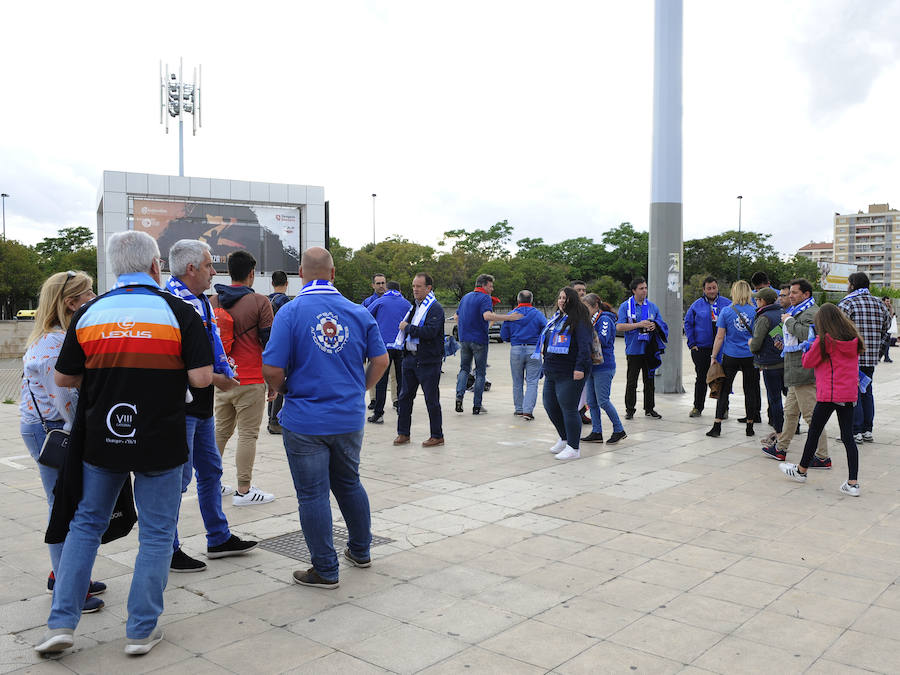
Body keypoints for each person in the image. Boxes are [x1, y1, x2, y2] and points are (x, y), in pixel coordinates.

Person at [34, 230, 213, 656]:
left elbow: (64, 378)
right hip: (161, 439)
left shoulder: (90, 313)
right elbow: (203, 378)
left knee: (85, 526)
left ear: (116, 267)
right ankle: (140, 630)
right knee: (155, 534)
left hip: (103, 438)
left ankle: (61, 624)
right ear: (156, 266)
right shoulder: (178, 311)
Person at [262, 247, 388, 589]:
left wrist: (286, 389)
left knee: (312, 494)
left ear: (301, 274)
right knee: (349, 483)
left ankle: (325, 569)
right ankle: (361, 550)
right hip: (348, 417)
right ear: (333, 274)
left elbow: (271, 367)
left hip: (304, 420)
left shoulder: (290, 313)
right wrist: (358, 389)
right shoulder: (359, 312)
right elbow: (381, 360)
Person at [165, 240, 257, 573]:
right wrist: (218, 378)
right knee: (178, 479)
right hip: (182, 405)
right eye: (208, 265)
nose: (213, 271)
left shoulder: (201, 301)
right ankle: (168, 548)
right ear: (190, 269)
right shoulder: (172, 304)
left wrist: (220, 371)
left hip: (203, 404)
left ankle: (218, 538)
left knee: (210, 472)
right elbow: (176, 362)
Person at [20, 271, 103, 613]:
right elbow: (64, 399)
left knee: (65, 503)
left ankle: (68, 575)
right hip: (53, 430)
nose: (93, 298)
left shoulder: (52, 337)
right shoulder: (55, 343)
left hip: (45, 427)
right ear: (71, 303)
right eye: (88, 294)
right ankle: (69, 587)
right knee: (63, 507)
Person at [210, 250, 276, 506]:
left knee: (220, 433)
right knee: (248, 435)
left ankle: (211, 483)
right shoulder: (261, 302)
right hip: (250, 379)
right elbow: (268, 344)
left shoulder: (214, 301)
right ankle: (244, 490)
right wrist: (273, 381)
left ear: (228, 271)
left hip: (222, 378)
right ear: (251, 273)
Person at [779, 304, 864, 497]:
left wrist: (807, 348)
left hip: (830, 394)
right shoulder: (853, 339)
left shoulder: (824, 341)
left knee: (814, 432)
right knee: (848, 437)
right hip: (849, 394)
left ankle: (801, 471)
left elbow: (808, 362)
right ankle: (853, 483)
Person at [761, 279, 831, 467]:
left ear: (806, 295)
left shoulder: (811, 312)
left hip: (804, 372)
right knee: (790, 413)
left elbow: (807, 334)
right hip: (794, 370)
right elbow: (797, 340)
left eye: (794, 293)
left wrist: (789, 322)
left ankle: (823, 456)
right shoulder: (795, 311)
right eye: (788, 293)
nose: (790, 296)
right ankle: (781, 449)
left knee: (811, 416)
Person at [454, 274, 520, 415]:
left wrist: (465, 327)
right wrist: (509, 317)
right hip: (479, 340)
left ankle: (459, 396)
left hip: (464, 339)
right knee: (480, 373)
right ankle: (477, 406)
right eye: (490, 286)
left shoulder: (465, 297)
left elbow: (456, 317)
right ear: (484, 285)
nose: (492, 289)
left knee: (464, 369)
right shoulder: (485, 298)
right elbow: (487, 316)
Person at [838, 272, 892, 443]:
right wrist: (879, 348)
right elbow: (887, 327)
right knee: (866, 391)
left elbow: (839, 329)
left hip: (852, 357)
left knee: (853, 393)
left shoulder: (847, 303)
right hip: (871, 357)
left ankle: (855, 431)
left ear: (852, 285)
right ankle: (867, 429)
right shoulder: (879, 303)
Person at [540, 287, 592, 459]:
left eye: (566, 298)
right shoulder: (556, 318)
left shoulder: (580, 319)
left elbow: (585, 346)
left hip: (571, 371)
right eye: (560, 297)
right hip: (552, 370)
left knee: (569, 408)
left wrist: (579, 367)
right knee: (550, 405)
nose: (562, 300)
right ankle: (564, 438)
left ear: (573, 300)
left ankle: (574, 447)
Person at [394, 273, 446, 447]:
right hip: (410, 359)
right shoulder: (414, 307)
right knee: (404, 398)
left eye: (419, 286)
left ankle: (437, 435)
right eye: (413, 286)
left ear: (428, 288)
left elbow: (430, 332)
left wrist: (408, 327)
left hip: (428, 361)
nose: (415, 289)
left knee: (431, 400)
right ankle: (403, 433)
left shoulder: (435, 308)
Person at [706, 280, 760, 437]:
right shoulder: (755, 311)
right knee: (750, 390)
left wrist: (713, 356)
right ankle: (750, 426)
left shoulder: (726, 311)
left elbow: (720, 337)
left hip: (731, 355)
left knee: (724, 390)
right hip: (750, 356)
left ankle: (717, 425)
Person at [616, 277, 665, 419]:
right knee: (632, 381)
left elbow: (661, 322)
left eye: (645, 288)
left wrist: (654, 325)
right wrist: (639, 325)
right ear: (634, 291)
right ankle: (630, 409)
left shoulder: (652, 306)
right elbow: (619, 326)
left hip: (649, 349)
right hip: (633, 349)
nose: (644, 291)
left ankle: (649, 408)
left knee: (649, 381)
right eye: (641, 288)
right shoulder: (626, 306)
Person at [580, 294, 626, 445]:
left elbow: (603, 339)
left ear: (595, 306)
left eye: (586, 307)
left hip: (604, 367)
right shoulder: (588, 320)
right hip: (591, 366)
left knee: (603, 401)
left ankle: (619, 429)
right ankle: (597, 432)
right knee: (592, 402)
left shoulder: (604, 319)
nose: (584, 310)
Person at [684, 276, 731, 417]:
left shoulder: (727, 304)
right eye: (709, 288)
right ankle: (697, 407)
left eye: (714, 288)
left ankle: (724, 409)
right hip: (702, 348)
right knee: (701, 378)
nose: (712, 291)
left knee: (723, 378)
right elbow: (688, 323)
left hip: (722, 348)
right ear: (704, 290)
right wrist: (692, 343)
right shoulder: (696, 305)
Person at [367, 280, 411, 424]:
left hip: (383, 346)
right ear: (399, 290)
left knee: (381, 381)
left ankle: (378, 413)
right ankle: (401, 410)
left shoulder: (381, 301)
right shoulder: (406, 303)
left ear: (387, 289)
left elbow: (366, 316)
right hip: (401, 346)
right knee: (401, 379)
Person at [499, 290, 547, 421]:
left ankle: (519, 409)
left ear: (518, 300)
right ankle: (528, 411)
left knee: (517, 381)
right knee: (532, 382)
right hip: (533, 350)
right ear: (531, 300)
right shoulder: (538, 314)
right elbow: (546, 330)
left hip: (516, 349)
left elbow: (504, 336)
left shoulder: (511, 315)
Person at [749, 287, 785, 434]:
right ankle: (793, 427)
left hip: (770, 364)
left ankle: (779, 429)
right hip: (785, 361)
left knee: (775, 399)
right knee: (790, 397)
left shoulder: (764, 317)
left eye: (757, 299)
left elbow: (756, 344)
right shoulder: (783, 313)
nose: (756, 302)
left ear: (762, 301)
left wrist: (751, 343)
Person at [266, 270, 291, 433]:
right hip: (282, 349)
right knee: (281, 384)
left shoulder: (265, 300)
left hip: (267, 347)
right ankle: (275, 421)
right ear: (287, 284)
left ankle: (270, 417)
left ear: (272, 283)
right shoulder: (286, 302)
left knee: (271, 383)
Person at [881, 297, 895, 363]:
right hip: (881, 329)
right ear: (883, 301)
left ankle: (886, 357)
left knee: (887, 344)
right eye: (887, 301)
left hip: (887, 329)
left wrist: (891, 308)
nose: (888, 303)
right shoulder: (881, 308)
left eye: (889, 301)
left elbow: (891, 317)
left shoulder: (888, 309)